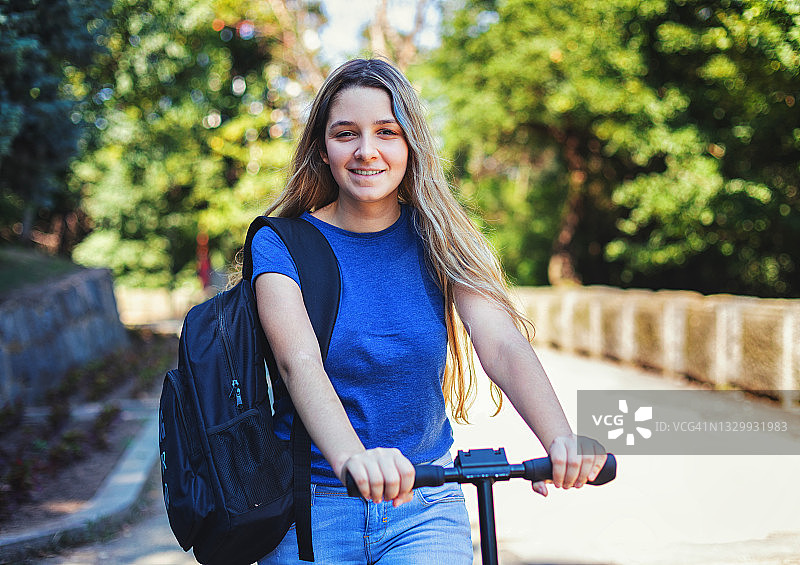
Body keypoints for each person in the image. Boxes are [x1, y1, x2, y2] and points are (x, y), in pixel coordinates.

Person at [252, 58, 606, 564]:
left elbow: (501, 344)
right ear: (322, 150)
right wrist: (356, 461)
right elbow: (299, 362)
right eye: (345, 133)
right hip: (312, 508)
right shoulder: (280, 243)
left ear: (411, 144)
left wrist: (560, 438)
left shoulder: (441, 237)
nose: (366, 151)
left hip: (426, 504)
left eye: (386, 132)